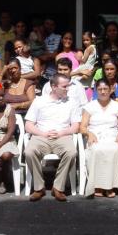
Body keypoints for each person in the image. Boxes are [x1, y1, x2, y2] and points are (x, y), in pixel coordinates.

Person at [25, 73, 80, 202]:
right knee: (29, 152)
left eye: (68, 86)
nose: (67, 89)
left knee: (71, 152)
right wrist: (42, 133)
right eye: (64, 86)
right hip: (41, 135)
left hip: (62, 136)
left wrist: (62, 133)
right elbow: (28, 125)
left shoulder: (72, 102)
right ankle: (39, 188)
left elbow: (75, 126)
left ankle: (58, 188)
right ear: (54, 86)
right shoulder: (39, 101)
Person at [80, 78, 118, 198]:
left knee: (114, 150)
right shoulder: (89, 106)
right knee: (96, 150)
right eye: (100, 89)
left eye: (105, 89)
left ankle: (110, 186)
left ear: (111, 89)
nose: (102, 92)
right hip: (95, 137)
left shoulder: (117, 106)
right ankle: (98, 186)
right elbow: (82, 127)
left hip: (112, 137)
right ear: (96, 90)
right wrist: (89, 133)